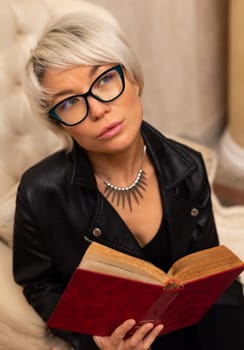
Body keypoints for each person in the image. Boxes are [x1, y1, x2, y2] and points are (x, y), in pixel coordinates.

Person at [13, 5, 244, 350]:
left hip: (197, 321)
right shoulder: (39, 193)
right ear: (59, 122)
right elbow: (39, 285)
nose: (97, 109)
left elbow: (204, 265)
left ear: (134, 79)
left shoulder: (189, 166)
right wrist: (91, 339)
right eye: (69, 102)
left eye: (105, 79)